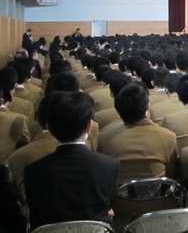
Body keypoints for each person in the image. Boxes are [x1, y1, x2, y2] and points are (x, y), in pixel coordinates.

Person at [24, 92, 119, 229]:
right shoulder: (109, 165)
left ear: (49, 127)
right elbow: (108, 208)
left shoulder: (33, 171)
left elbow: (36, 215)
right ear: (88, 127)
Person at [98, 82, 178, 183]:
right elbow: (172, 176)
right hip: (159, 197)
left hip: (119, 197)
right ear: (148, 107)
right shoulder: (168, 137)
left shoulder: (103, 138)